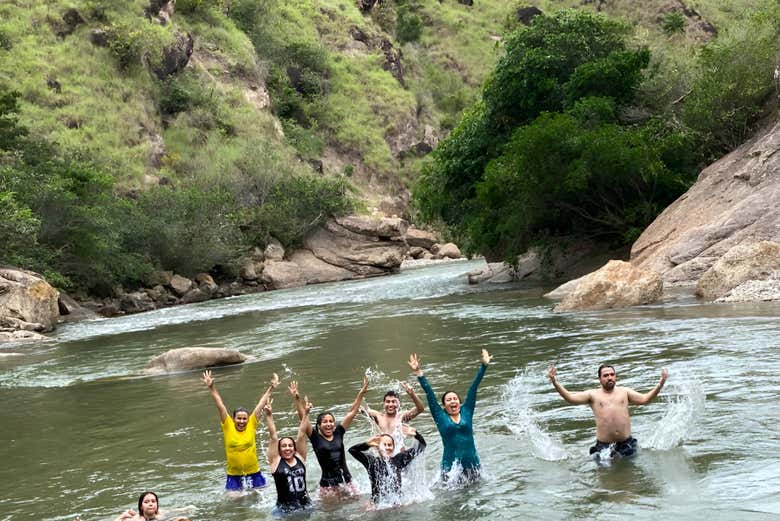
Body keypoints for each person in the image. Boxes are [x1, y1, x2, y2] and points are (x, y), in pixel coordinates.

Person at [547, 364, 668, 459]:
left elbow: (645, 399)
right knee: (605, 477)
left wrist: (660, 384)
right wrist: (554, 382)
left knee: (630, 474)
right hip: (604, 447)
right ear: (599, 379)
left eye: (612, 374)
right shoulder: (592, 395)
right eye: (605, 375)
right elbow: (570, 398)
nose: (609, 377)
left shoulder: (624, 392)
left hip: (627, 443)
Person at [409, 349, 491, 484]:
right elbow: (429, 393)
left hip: (472, 464)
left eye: (455, 399)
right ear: (444, 405)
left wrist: (484, 366)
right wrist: (418, 372)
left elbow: (474, 388)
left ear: (459, 402)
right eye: (448, 400)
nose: (452, 401)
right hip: (451, 468)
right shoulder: (440, 416)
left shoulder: (467, 411)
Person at [202, 369, 279, 492]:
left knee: (259, 496)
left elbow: (261, 404)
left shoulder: (252, 424)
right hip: (234, 476)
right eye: (239, 418)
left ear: (248, 419)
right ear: (233, 419)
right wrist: (211, 387)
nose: (242, 421)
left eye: (244, 419)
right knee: (235, 500)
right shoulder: (228, 425)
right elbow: (220, 405)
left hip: (254, 473)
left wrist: (271, 388)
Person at [291, 376, 369, 497]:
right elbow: (303, 419)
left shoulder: (338, 433)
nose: (328, 424)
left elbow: (352, 412)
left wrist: (361, 393)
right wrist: (297, 398)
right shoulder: (315, 438)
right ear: (319, 426)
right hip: (328, 486)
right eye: (325, 422)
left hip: (347, 482)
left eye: (331, 421)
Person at [348, 425, 426, 506]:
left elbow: (422, 446)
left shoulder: (399, 459)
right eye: (384, 444)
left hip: (397, 502)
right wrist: (367, 444)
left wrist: (416, 434)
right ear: (377, 447)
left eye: (389, 445)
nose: (387, 447)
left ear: (393, 447)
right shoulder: (372, 462)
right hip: (378, 503)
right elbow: (352, 450)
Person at [263, 392, 313, 514]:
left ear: (294, 449)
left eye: (290, 445)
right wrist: (269, 415)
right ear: (279, 450)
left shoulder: (300, 457)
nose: (287, 448)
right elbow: (273, 437)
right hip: (284, 510)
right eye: (283, 446)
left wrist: (306, 413)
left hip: (306, 506)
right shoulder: (275, 461)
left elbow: (301, 434)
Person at [364, 384, 425, 452]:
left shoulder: (401, 417)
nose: (390, 405)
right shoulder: (378, 416)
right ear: (384, 403)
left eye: (393, 402)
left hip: (399, 454)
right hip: (384, 453)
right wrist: (361, 393)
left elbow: (420, 409)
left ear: (398, 404)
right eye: (388, 402)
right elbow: (362, 408)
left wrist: (412, 395)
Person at [114, 491, 189, 521]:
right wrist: (122, 516)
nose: (150, 504)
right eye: (146, 502)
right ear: (141, 506)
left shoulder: (162, 514)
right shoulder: (136, 519)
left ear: (157, 505)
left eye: (153, 501)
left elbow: (186, 510)